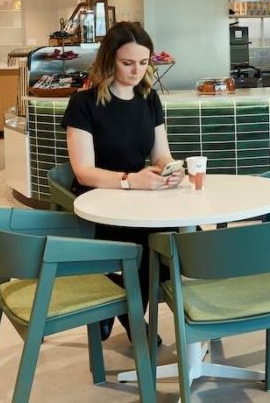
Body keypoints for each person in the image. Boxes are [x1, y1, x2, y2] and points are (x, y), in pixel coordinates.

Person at [61, 21, 183, 340]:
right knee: (145, 243)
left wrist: (172, 168)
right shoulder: (83, 105)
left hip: (136, 195)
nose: (136, 71)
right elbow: (83, 171)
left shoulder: (149, 99)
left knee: (181, 238)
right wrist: (131, 181)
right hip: (96, 198)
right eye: (127, 63)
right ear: (108, 60)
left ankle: (123, 306)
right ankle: (129, 311)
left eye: (143, 63)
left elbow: (160, 154)